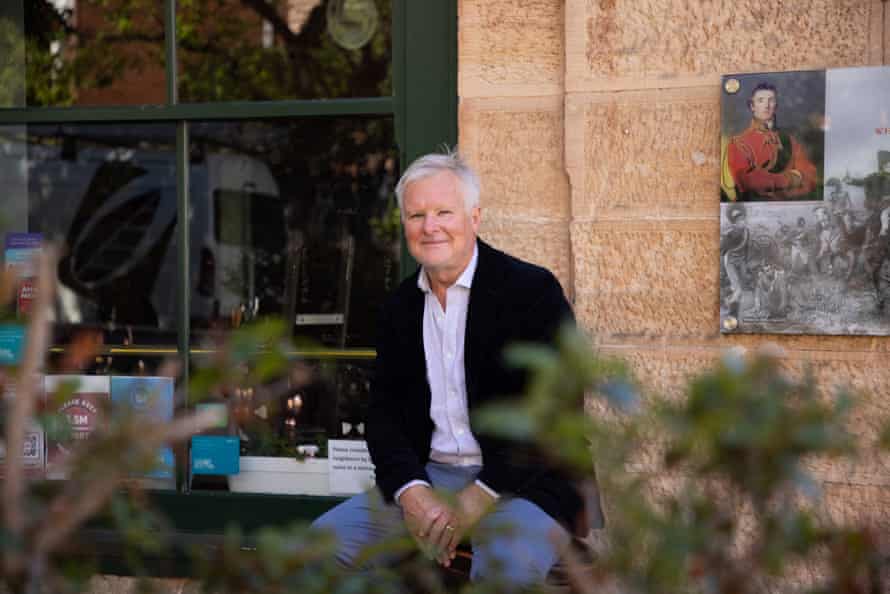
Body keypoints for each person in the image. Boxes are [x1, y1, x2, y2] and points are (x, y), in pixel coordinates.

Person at [312, 149, 599, 586]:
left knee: (503, 572)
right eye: (416, 215)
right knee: (315, 554)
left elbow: (551, 415)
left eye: (444, 211)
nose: (430, 227)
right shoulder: (399, 308)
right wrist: (412, 493)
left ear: (475, 217)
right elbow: (384, 415)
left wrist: (473, 502)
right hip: (430, 478)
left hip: (526, 481)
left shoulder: (530, 291)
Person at [721, 82, 818, 202]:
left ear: (775, 106)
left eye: (771, 100)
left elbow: (810, 178)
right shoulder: (738, 143)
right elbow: (748, 182)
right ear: (752, 106)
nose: (766, 105)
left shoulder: (790, 141)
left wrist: (777, 189)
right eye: (760, 100)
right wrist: (791, 180)